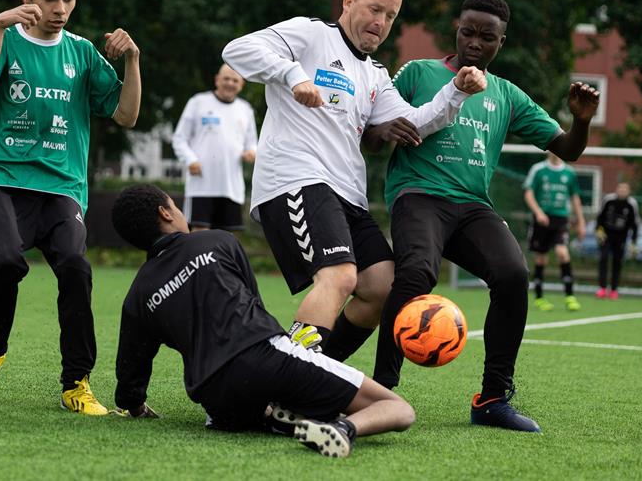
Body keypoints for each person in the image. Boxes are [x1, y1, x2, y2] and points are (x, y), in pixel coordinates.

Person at [222, 0, 487, 361]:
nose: (381, 22)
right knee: (340, 276)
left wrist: (456, 92)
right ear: (349, 2)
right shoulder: (311, 34)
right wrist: (293, 75)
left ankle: (317, 372)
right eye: (374, 8)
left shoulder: (374, 73)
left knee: (383, 288)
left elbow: (414, 122)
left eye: (391, 15)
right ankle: (279, 381)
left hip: (347, 195)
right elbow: (237, 50)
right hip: (297, 179)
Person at [367, 0, 600, 433]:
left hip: (473, 207)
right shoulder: (419, 72)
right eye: (468, 31)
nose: (475, 42)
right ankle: (381, 390)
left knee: (513, 275)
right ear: (456, 28)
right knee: (416, 274)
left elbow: (567, 150)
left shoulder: (507, 95)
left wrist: (583, 120)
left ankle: (492, 399)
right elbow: (371, 134)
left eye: (486, 36)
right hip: (418, 195)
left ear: (501, 42)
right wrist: (382, 129)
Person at [0, 0, 141, 416]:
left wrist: (133, 62)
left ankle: (76, 383)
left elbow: (126, 115)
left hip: (62, 186)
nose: (60, 9)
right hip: (2, 176)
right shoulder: (2, 37)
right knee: (6, 261)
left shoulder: (81, 53)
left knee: (77, 270)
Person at [110, 183, 415, 458]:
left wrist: (136, 407)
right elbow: (254, 306)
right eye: (175, 206)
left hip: (216, 399)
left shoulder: (139, 294)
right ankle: (341, 428)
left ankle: (271, 414)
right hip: (266, 357)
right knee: (398, 409)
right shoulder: (216, 241)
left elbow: (130, 375)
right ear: (165, 213)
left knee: (257, 403)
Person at [172, 64, 257, 232]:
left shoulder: (245, 109)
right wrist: (191, 160)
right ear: (217, 80)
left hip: (231, 187)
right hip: (201, 185)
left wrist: (252, 152)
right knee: (199, 234)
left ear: (241, 85)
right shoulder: (198, 102)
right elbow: (179, 139)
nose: (230, 83)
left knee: (227, 238)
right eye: (226, 79)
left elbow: (253, 143)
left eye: (235, 80)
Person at [523, 153, 586, 311]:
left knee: (562, 252)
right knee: (541, 259)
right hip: (542, 219)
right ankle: (539, 297)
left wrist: (581, 221)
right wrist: (538, 212)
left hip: (561, 219)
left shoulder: (569, 172)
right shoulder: (538, 169)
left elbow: (575, 198)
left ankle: (570, 296)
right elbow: (528, 193)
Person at [596, 182, 639, 299]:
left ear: (629, 191)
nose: (622, 191)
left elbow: (634, 224)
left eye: (625, 189)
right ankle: (602, 288)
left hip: (621, 237)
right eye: (620, 188)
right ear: (617, 189)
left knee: (617, 262)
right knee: (603, 258)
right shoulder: (609, 200)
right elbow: (600, 217)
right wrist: (599, 230)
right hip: (606, 235)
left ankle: (614, 289)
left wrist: (634, 242)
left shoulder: (631, 204)